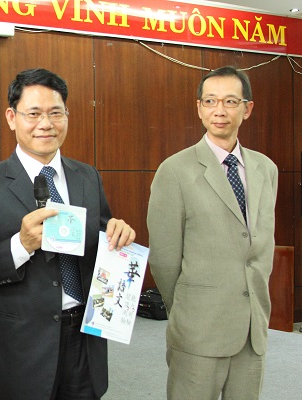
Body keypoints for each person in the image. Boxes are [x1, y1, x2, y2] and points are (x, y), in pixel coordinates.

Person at [0, 68, 136, 400]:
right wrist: (20, 245)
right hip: (22, 345)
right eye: (34, 113)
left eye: (55, 113)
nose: (46, 123)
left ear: (67, 115)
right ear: (12, 118)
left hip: (85, 338)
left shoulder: (87, 176)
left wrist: (117, 235)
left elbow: (101, 241)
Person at [147, 66, 278, 400]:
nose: (220, 110)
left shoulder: (266, 169)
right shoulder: (174, 170)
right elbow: (164, 259)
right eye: (210, 101)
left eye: (230, 101)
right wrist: (186, 308)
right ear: (199, 108)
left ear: (247, 109)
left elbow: (261, 246)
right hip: (198, 329)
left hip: (251, 328)